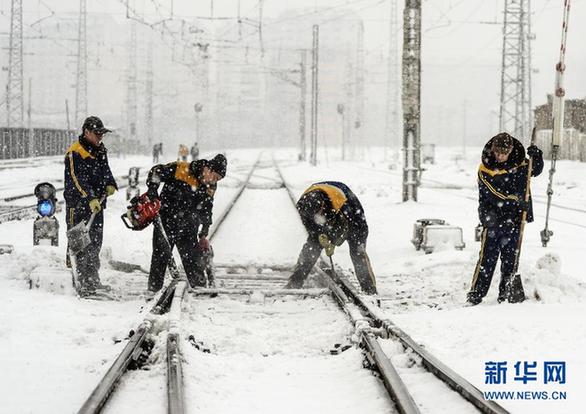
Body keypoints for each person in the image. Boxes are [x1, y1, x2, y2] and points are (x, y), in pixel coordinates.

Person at [467, 132, 543, 305]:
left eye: (504, 153)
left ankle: (506, 292)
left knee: (511, 259)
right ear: (493, 150)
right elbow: (494, 194)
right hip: (493, 218)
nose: (500, 156)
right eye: (497, 153)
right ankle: (476, 294)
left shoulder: (520, 162)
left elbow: (534, 170)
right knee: (487, 258)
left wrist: (536, 156)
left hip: (515, 220)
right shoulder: (485, 168)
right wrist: (516, 200)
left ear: (510, 151)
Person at [146, 154, 227, 292]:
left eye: (217, 179)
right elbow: (156, 171)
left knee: (192, 257)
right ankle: (154, 290)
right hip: (167, 218)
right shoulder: (182, 169)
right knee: (161, 255)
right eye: (214, 176)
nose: (214, 181)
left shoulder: (211, 185)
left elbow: (207, 206)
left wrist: (204, 231)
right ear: (207, 168)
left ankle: (199, 288)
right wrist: (153, 190)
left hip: (189, 224)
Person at [285, 181, 377, 295]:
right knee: (312, 246)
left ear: (323, 206)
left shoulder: (340, 205)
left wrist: (331, 242)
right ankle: (296, 282)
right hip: (325, 198)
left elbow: (343, 228)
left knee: (358, 250)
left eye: (319, 214)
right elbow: (310, 229)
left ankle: (370, 291)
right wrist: (319, 235)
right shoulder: (302, 207)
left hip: (352, 214)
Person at [64, 116, 118, 297]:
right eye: (97, 133)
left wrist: (110, 183)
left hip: (97, 205)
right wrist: (90, 197)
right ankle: (80, 280)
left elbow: (106, 170)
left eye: (102, 133)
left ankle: (93, 279)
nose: (100, 137)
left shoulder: (100, 150)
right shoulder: (75, 152)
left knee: (95, 242)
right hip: (78, 205)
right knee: (79, 243)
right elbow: (77, 179)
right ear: (86, 132)